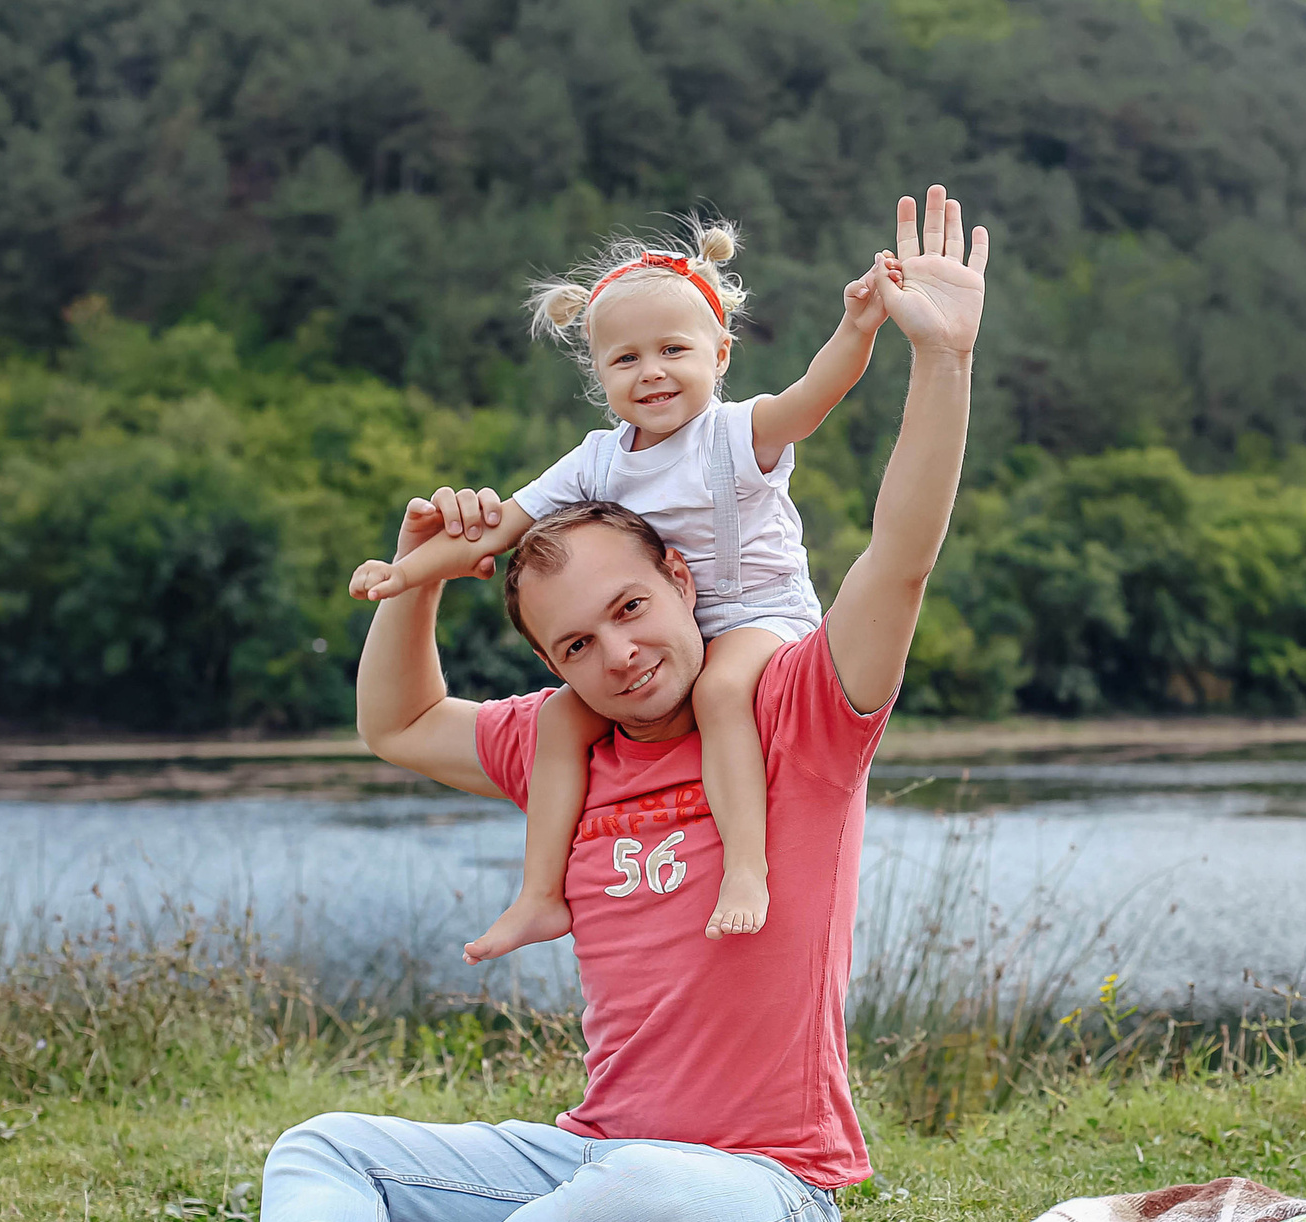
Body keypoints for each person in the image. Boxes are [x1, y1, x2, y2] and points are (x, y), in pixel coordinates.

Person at [61, 186, 988, 1222]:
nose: (617, 655)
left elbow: (901, 553)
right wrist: (415, 577)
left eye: (629, 611)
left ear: (679, 572)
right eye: (574, 646)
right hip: (584, 1152)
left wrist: (942, 362)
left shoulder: (792, 717)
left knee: (634, 1192)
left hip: (760, 1181)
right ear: (552, 666)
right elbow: (395, 723)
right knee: (323, 1144)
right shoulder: (571, 744)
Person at [348, 219, 898, 952]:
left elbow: (814, 395)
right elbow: (503, 523)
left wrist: (857, 327)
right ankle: (541, 895)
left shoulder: (736, 434)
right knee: (560, 723)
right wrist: (403, 572)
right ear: (600, 376)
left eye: (674, 350)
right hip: (671, 626)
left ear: (721, 354)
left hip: (760, 614)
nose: (652, 372)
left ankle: (745, 867)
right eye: (626, 358)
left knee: (722, 691)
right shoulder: (597, 461)